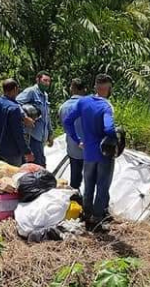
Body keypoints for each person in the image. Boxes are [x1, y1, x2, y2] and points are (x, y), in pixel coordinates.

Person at [63, 74, 117, 227]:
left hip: (88, 152)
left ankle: (86, 214)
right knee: (102, 185)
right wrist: (116, 134)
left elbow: (68, 121)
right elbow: (109, 128)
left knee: (88, 184)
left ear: (95, 87)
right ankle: (97, 218)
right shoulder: (106, 106)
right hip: (104, 154)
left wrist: (77, 139)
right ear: (107, 89)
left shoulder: (83, 102)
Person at [0, 79, 34, 167]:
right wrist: (27, 151)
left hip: (0, 148)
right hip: (13, 151)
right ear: (15, 89)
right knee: (14, 176)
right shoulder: (14, 108)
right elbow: (18, 134)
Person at [17, 71, 52, 167]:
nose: (47, 83)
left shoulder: (45, 95)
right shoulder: (31, 91)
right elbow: (16, 104)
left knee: (39, 164)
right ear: (38, 80)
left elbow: (47, 116)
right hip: (32, 135)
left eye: (49, 81)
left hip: (41, 136)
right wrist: (25, 117)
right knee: (38, 165)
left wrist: (50, 133)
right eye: (45, 80)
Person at [58, 78, 88, 190]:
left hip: (73, 149)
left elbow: (65, 128)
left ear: (72, 88)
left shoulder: (63, 107)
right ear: (84, 89)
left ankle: (76, 202)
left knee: (75, 180)